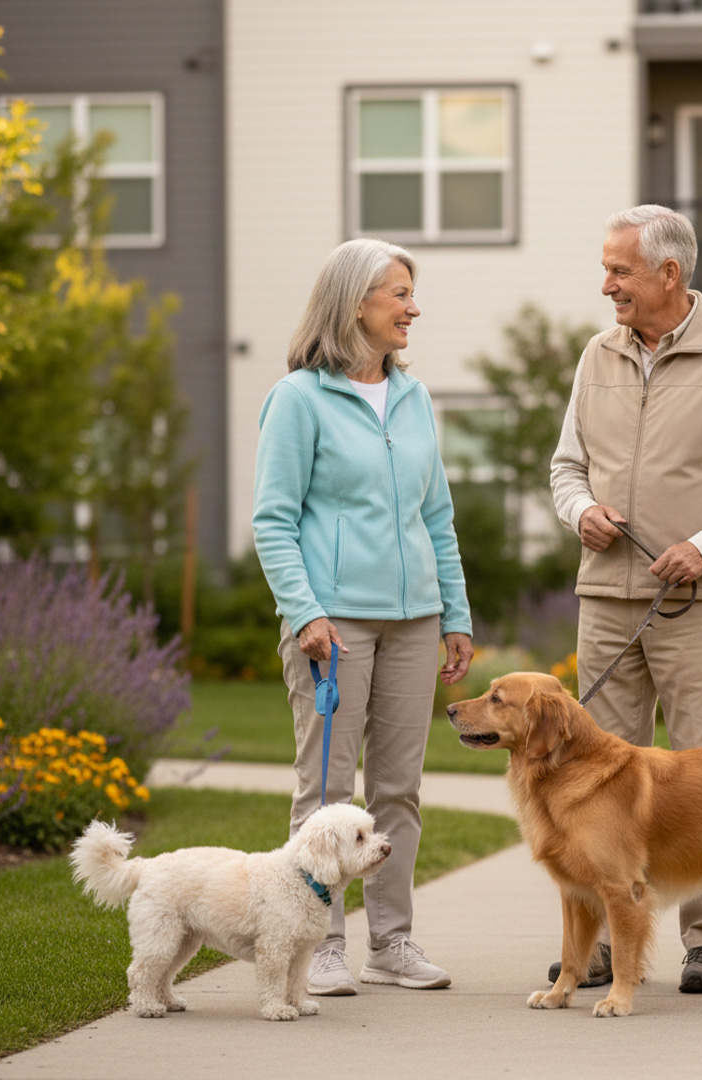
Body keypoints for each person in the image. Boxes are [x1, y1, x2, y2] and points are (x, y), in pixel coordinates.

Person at [549, 205, 702, 994]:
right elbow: (566, 468)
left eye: (620, 270)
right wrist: (578, 511)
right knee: (591, 783)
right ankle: (598, 946)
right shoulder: (597, 355)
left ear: (668, 274)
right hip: (606, 597)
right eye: (607, 267)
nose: (606, 284)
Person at [253, 237, 474, 996]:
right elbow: (273, 521)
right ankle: (317, 945)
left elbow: (436, 516)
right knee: (325, 790)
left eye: (411, 294)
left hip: (415, 621)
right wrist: (304, 611)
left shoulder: (413, 399)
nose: (414, 308)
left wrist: (456, 614)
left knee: (397, 791)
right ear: (356, 305)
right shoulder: (298, 400)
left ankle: (393, 942)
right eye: (400, 294)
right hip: (333, 626)